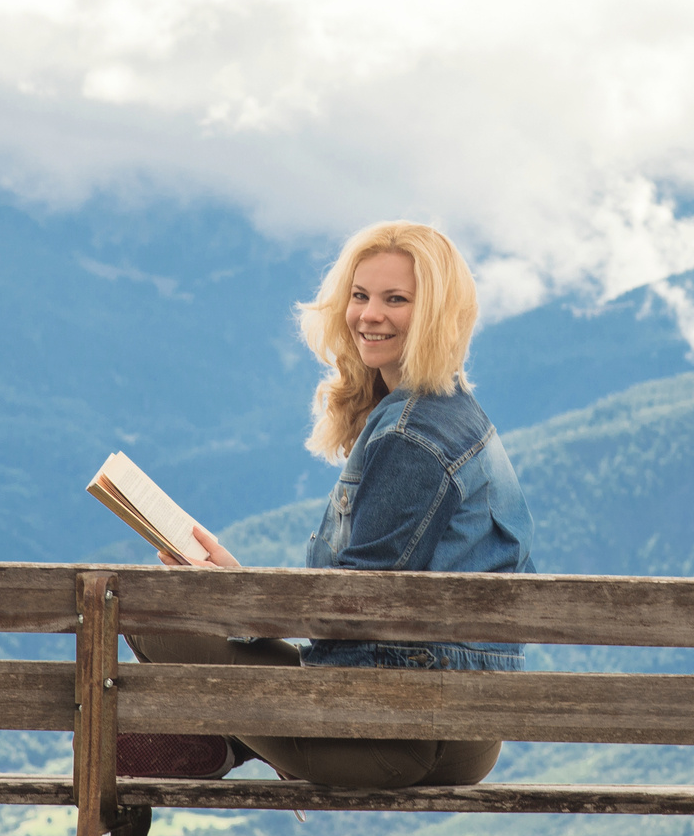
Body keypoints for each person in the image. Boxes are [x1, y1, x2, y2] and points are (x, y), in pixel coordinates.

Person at [124, 220, 536, 789]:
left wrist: (232, 597)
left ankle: (228, 742)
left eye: (396, 300)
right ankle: (230, 742)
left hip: (396, 740)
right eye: (360, 296)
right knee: (196, 608)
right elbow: (364, 600)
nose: (369, 314)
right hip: (456, 732)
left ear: (437, 313)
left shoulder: (410, 435)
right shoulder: (453, 411)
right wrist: (235, 583)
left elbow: (353, 604)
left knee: (153, 614)